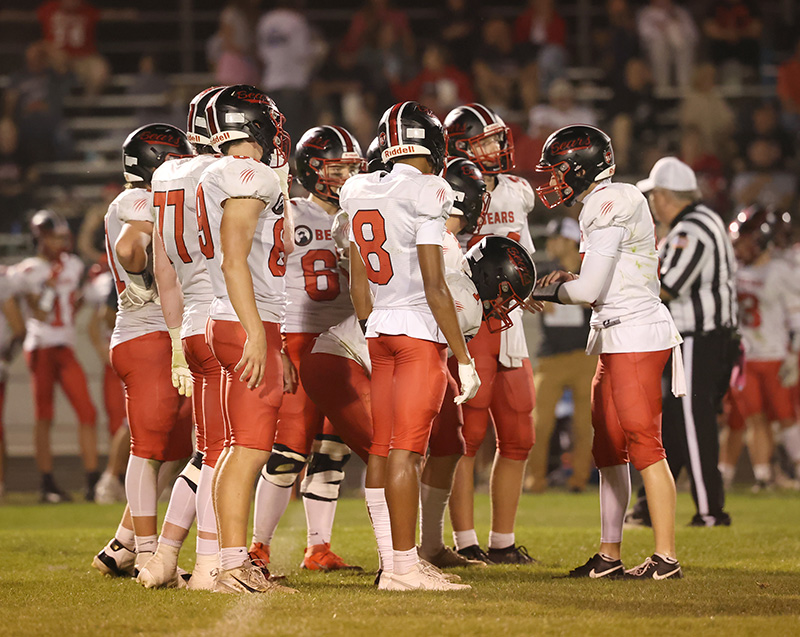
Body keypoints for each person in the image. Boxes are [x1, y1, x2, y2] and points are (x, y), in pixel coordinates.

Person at [533, 124, 685, 579]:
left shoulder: (610, 201)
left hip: (636, 334)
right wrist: (566, 282)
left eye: (561, 169)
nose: (556, 179)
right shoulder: (604, 202)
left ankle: (666, 558)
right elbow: (596, 284)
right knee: (609, 447)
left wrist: (548, 290)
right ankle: (609, 555)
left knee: (644, 444)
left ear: (582, 168)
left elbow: (591, 289)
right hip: (614, 335)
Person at [344, 101, 480, 591]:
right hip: (417, 333)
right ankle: (404, 567)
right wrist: (463, 358)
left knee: (381, 451)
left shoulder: (360, 188)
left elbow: (359, 281)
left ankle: (392, 562)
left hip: (378, 328)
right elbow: (434, 285)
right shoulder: (429, 189)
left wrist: (370, 326)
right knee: (407, 453)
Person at [248, 124, 365, 573]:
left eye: (352, 168)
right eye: (338, 168)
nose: (346, 177)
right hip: (297, 336)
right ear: (312, 170)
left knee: (334, 447)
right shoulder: (290, 213)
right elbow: (266, 280)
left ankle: (319, 547)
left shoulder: (357, 214)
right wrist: (276, 345)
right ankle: (258, 546)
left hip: (341, 340)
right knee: (290, 448)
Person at [199, 85, 294, 594]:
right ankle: (233, 566)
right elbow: (235, 260)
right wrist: (259, 332)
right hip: (244, 319)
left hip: (236, 316)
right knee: (250, 449)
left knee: (238, 447)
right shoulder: (247, 172)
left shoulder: (220, 172)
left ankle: (225, 560)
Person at [136, 86, 228, 591]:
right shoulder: (225, 175)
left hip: (190, 322)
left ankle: (165, 555)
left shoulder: (167, 177)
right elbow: (238, 261)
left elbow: (163, 271)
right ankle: (213, 562)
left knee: (205, 449)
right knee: (227, 450)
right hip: (227, 316)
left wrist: (174, 344)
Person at [92, 124, 194, 579]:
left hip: (149, 334)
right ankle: (151, 556)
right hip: (148, 333)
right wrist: (150, 274)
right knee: (149, 450)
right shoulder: (140, 199)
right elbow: (131, 247)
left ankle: (123, 546)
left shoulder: (140, 198)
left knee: (175, 448)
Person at [444, 102, 538, 565]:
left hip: (512, 319)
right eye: (484, 140)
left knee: (520, 432)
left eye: (497, 138)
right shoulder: (449, 189)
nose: (496, 147)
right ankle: (465, 541)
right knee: (469, 434)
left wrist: (529, 285)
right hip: (472, 317)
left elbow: (522, 255)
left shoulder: (518, 191)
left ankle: (502, 541)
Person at [626, 157, 737, 527]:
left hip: (698, 339)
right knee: (674, 424)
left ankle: (709, 510)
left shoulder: (694, 228)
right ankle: (648, 506)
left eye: (653, 196)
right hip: (696, 339)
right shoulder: (699, 223)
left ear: (663, 195)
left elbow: (668, 287)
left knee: (692, 421)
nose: (651, 204)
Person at [13, 209, 98, 503]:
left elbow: (78, 300)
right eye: (53, 236)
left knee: (87, 411)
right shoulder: (26, 270)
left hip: (65, 344)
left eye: (61, 236)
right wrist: (50, 283)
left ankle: (91, 480)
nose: (59, 242)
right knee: (44, 416)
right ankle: (47, 482)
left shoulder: (73, 265)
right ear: (41, 238)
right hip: (40, 346)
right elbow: (38, 311)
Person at [725, 207, 800, 490]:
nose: (740, 247)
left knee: (786, 418)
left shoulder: (780, 271)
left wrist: (793, 354)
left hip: (775, 354)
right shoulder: (734, 271)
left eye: (746, 241)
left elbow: (796, 317)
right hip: (746, 356)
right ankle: (763, 476)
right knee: (753, 417)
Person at [527, 217, 595, 494]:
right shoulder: (544, 271)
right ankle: (536, 479)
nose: (550, 245)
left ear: (569, 241)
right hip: (551, 357)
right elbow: (525, 296)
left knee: (584, 425)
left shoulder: (592, 271)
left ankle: (579, 479)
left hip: (585, 355)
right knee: (538, 423)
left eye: (555, 239)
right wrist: (535, 299)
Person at [636, 0, 699, 90]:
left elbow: (693, 35)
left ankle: (684, 86)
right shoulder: (646, 13)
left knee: (685, 45)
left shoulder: (680, 12)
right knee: (659, 45)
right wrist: (663, 29)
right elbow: (644, 34)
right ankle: (662, 87)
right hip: (656, 49)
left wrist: (677, 25)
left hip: (678, 48)